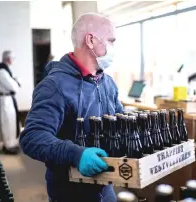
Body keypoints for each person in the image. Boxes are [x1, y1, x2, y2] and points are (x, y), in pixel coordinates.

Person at [20, 13, 123, 202]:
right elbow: (32, 137)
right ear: (90, 40)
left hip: (104, 185)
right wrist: (75, 154)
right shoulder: (55, 86)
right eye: (111, 41)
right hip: (70, 191)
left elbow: (120, 121)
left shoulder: (107, 82)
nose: (114, 47)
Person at [0, 50, 21, 155]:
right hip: (6, 101)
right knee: (8, 123)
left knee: (11, 122)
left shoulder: (5, 70)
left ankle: (11, 144)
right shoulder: (1, 72)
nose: (13, 61)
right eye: (13, 59)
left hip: (8, 99)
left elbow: (14, 83)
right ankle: (8, 146)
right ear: (9, 59)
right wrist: (17, 82)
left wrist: (16, 82)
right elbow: (14, 87)